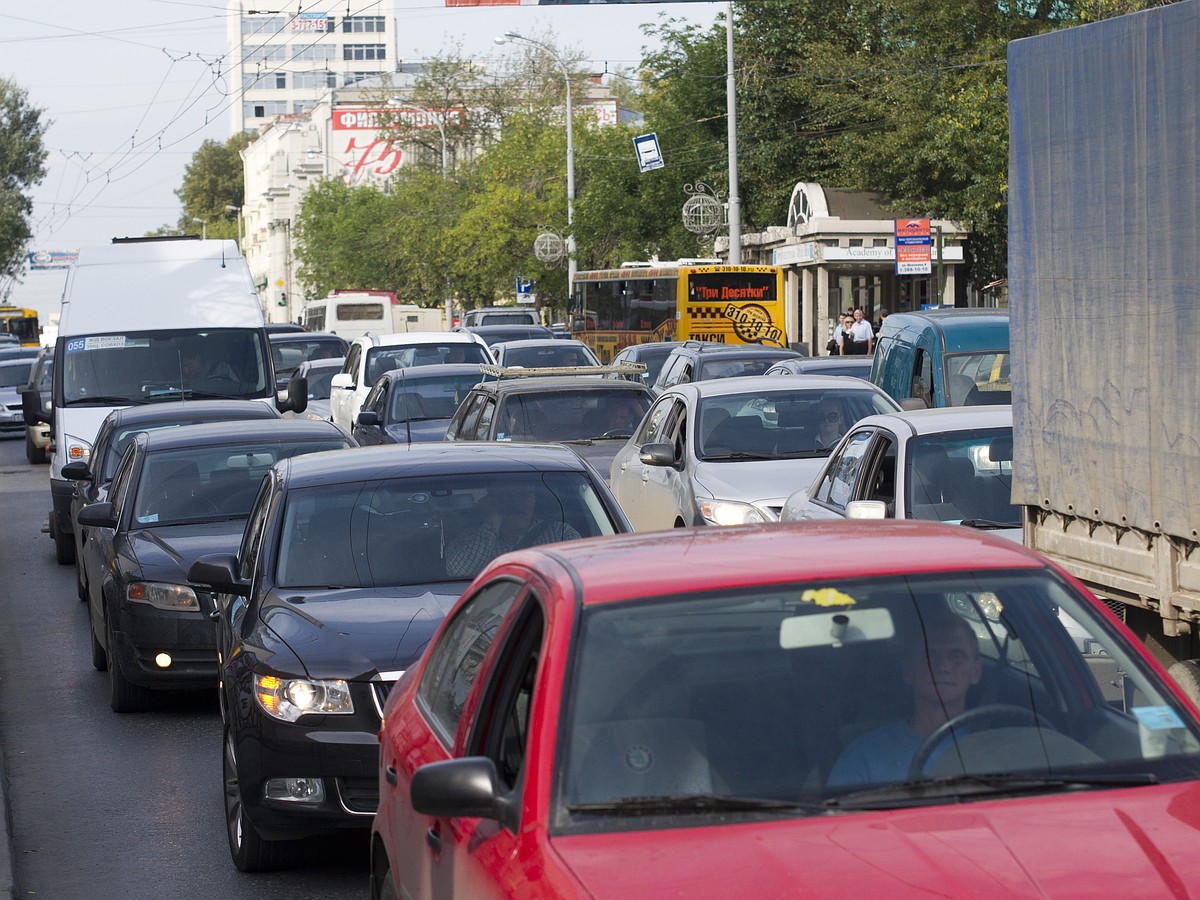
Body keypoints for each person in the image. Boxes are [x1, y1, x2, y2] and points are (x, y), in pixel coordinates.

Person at [828, 612, 983, 786]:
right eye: (930, 656)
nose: (944, 667)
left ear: (976, 672)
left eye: (956, 656)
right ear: (908, 671)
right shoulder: (865, 754)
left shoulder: (995, 745)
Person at [445, 483, 581, 579]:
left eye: (524, 494)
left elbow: (584, 573)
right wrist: (493, 523)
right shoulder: (470, 539)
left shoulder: (560, 534)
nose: (516, 502)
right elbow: (460, 572)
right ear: (493, 502)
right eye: (506, 495)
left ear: (534, 499)